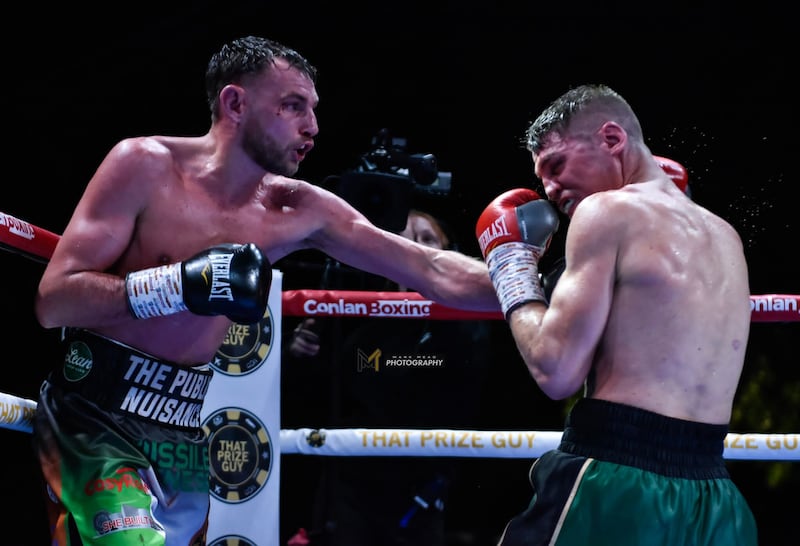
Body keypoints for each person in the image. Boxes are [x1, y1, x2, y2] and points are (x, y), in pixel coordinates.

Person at [32, 36, 499, 546]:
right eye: (292, 106)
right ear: (235, 103)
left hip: (183, 431)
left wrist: (535, 283)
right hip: (96, 414)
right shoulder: (144, 164)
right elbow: (56, 300)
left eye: (314, 110)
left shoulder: (295, 208)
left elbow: (429, 266)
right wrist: (179, 285)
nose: (313, 128)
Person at [474, 84, 757, 545]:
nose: (548, 189)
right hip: (717, 502)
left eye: (556, 165)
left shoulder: (605, 212)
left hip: (616, 484)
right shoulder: (726, 236)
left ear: (611, 139)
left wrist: (512, 271)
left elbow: (555, 369)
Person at [283, 209, 492, 546]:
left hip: (424, 483)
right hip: (356, 483)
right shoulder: (362, 329)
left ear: (447, 250)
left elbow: (462, 396)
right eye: (406, 238)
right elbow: (326, 400)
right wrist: (299, 356)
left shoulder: (467, 325)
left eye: (427, 239)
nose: (415, 247)